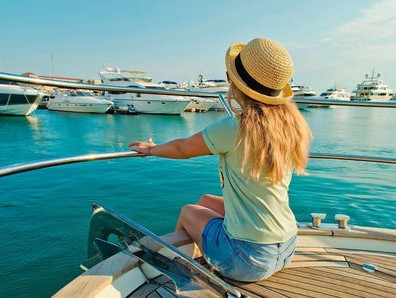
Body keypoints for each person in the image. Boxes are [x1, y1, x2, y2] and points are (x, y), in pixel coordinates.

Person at [129, 37, 312, 282]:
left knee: (188, 212)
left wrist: (151, 149)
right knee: (205, 200)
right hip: (287, 246)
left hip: (248, 261)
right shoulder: (290, 125)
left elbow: (183, 148)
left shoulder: (238, 127)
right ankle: (210, 253)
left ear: (234, 83)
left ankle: (187, 276)